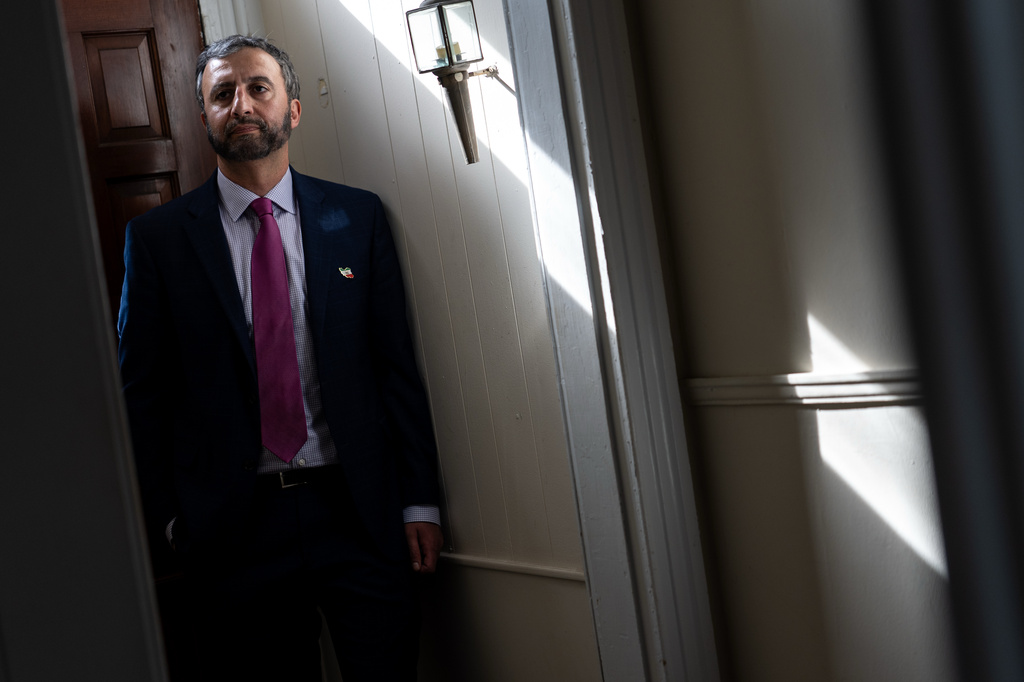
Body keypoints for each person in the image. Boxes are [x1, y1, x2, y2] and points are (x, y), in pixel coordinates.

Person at [117, 34, 443, 681]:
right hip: (235, 530)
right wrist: (173, 518)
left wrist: (419, 502)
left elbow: (395, 370)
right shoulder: (157, 241)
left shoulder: (357, 218)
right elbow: (140, 392)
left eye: (258, 89)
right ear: (203, 115)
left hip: (358, 513)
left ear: (292, 110)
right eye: (222, 94)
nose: (241, 105)